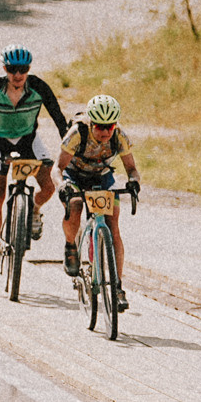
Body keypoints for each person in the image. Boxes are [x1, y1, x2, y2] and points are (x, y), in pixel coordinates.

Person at [0, 47, 68, 274]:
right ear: (4, 69)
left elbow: (58, 118)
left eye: (23, 69)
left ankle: (34, 210)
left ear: (29, 69)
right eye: (12, 70)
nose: (18, 75)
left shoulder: (39, 87)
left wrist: (68, 148)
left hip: (29, 140)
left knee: (49, 186)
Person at [57, 94, 142, 308]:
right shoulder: (78, 133)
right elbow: (57, 168)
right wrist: (62, 185)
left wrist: (133, 182)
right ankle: (70, 246)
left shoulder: (119, 135)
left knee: (113, 229)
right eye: (100, 127)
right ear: (91, 123)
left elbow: (132, 168)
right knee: (75, 207)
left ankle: (117, 287)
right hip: (74, 175)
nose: (105, 132)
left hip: (102, 176)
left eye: (109, 127)